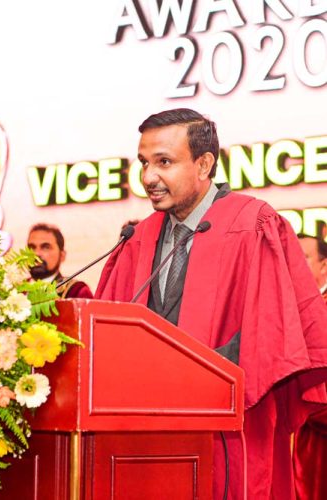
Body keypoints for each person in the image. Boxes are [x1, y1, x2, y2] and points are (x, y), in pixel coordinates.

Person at [95, 108, 327, 499]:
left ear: (204, 164)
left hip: (228, 428)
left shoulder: (254, 224)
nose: (148, 177)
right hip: (147, 436)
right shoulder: (139, 238)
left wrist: (191, 378)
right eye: (144, 163)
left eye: (164, 162)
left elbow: (271, 336)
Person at [293, 225, 327, 500]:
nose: (294, 265)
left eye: (303, 257)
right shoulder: (291, 306)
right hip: (304, 431)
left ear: (324, 265)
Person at [27, 223, 93, 299]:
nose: (36, 253)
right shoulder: (17, 289)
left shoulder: (76, 291)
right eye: (31, 248)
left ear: (62, 256)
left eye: (46, 247)